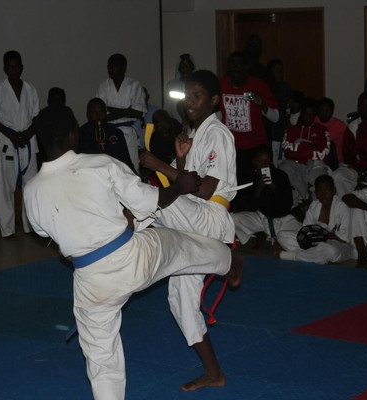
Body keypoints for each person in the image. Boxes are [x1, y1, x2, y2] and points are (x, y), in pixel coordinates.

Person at [25, 105, 244, 400]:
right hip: (133, 257)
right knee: (182, 246)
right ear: (73, 135)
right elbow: (150, 202)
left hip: (90, 281)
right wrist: (178, 187)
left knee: (102, 361)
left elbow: (49, 235)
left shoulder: (31, 191)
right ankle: (229, 262)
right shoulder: (101, 165)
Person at [140, 69, 238, 243]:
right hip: (193, 211)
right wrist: (181, 158)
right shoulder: (193, 134)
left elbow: (205, 190)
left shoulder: (217, 133)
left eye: (196, 96)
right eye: (186, 96)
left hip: (209, 217)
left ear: (214, 100)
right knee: (143, 194)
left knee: (144, 197)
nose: (189, 102)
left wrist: (159, 165)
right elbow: (183, 182)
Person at [0, 50, 40, 238]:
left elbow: (36, 116)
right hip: (8, 141)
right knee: (6, 187)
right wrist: (12, 135)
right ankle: (7, 230)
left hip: (28, 140)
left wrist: (27, 134)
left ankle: (30, 226)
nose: (14, 70)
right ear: (4, 69)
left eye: (16, 66)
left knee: (31, 186)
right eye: (10, 67)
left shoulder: (30, 89)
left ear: (22, 67)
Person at [219, 52, 278, 210]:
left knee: (264, 181)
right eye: (232, 64)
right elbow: (216, 113)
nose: (235, 68)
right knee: (236, 185)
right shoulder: (222, 85)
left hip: (256, 144)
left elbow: (276, 117)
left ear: (245, 67)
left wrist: (261, 103)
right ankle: (239, 214)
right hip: (232, 145)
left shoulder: (258, 85)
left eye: (239, 64)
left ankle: (267, 212)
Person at [231, 146, 300, 249]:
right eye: (260, 161)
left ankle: (272, 235)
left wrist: (273, 187)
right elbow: (246, 207)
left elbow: (287, 204)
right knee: (232, 219)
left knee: (301, 236)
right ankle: (259, 233)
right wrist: (259, 189)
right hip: (260, 219)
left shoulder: (280, 175)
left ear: (271, 162)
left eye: (266, 161)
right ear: (254, 161)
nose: (263, 165)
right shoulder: (249, 177)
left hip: (282, 219)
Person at [278, 175, 355, 264]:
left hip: (338, 245)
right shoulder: (314, 206)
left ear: (334, 190)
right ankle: (313, 256)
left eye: (326, 190)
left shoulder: (342, 208)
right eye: (319, 191)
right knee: (282, 236)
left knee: (329, 250)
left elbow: (344, 239)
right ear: (316, 193)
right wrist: (315, 236)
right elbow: (305, 230)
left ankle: (294, 256)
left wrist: (323, 234)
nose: (323, 194)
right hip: (314, 242)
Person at [96, 53, 146, 173]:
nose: (110, 70)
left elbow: (139, 113)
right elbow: (100, 116)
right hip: (109, 132)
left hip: (128, 132)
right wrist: (127, 111)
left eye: (113, 66)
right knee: (111, 168)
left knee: (131, 168)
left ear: (123, 68)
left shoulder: (134, 85)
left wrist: (112, 110)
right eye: (109, 67)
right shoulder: (104, 86)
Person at [280, 98, 331, 203]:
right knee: (284, 169)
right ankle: (305, 195)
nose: (308, 116)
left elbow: (323, 154)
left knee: (322, 182)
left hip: (316, 165)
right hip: (295, 163)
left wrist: (298, 146)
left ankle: (316, 206)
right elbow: (285, 147)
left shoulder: (322, 130)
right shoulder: (291, 129)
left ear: (315, 115)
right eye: (305, 113)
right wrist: (307, 145)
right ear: (301, 114)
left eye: (311, 114)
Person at [78, 97, 135, 172]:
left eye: (101, 112)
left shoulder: (116, 132)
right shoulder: (80, 134)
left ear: (105, 113)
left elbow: (126, 161)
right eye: (94, 112)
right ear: (88, 114)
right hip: (91, 173)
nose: (98, 115)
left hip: (115, 172)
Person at [267, 59, 293, 167]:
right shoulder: (266, 87)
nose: (279, 73)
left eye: (281, 70)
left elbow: (289, 106)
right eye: (276, 70)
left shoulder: (286, 87)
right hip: (270, 128)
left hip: (283, 126)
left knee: (282, 161)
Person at [164, 53, 195, 123]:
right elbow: (167, 108)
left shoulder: (198, 85)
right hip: (176, 123)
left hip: (194, 124)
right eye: (183, 65)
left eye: (188, 65)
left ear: (192, 67)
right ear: (179, 68)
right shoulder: (171, 86)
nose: (186, 68)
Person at [315, 97, 346, 165]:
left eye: (327, 111)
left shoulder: (340, 126)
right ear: (317, 110)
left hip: (336, 162)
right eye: (321, 110)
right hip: (315, 161)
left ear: (332, 112)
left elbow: (347, 147)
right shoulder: (312, 122)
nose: (324, 113)